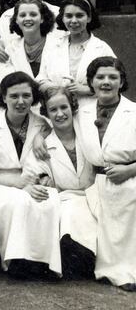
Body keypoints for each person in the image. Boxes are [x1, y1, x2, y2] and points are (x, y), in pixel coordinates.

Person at [0, 72, 60, 279]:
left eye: (26, 95)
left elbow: (47, 159)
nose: (21, 101)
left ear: (33, 97)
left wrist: (43, 177)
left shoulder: (42, 124)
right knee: (19, 202)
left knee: (49, 200)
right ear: (4, 98)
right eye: (14, 96)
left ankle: (45, 263)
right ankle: (15, 261)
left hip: (32, 181)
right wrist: (16, 183)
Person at [71, 57, 136, 290]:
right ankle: (108, 270)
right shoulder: (82, 113)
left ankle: (128, 272)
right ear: (91, 82)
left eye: (112, 77)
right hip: (96, 181)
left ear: (122, 82)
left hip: (129, 177)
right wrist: (39, 137)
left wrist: (129, 169)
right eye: (100, 77)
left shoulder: (133, 111)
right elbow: (55, 128)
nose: (106, 82)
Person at [23, 86, 97, 280]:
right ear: (46, 114)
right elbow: (33, 172)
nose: (60, 114)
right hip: (67, 197)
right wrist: (42, 179)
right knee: (71, 213)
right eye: (53, 110)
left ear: (73, 108)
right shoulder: (44, 145)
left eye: (64, 107)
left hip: (95, 194)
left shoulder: (89, 135)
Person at [38, 0, 114, 96]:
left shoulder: (102, 49)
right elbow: (41, 79)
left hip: (91, 104)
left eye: (79, 15)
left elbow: (115, 82)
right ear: (63, 18)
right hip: (58, 103)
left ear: (89, 18)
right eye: (69, 16)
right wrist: (57, 89)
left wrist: (87, 89)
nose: (73, 21)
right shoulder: (52, 46)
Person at [5, 0, 55, 78]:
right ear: (16, 20)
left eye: (33, 14)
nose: (27, 18)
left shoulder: (57, 45)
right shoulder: (11, 49)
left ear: (42, 19)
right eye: (22, 15)